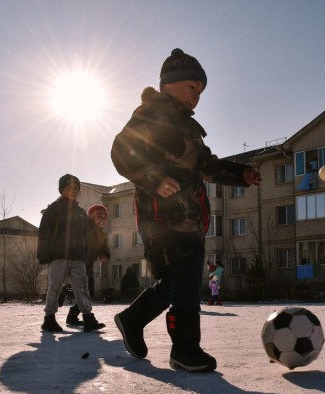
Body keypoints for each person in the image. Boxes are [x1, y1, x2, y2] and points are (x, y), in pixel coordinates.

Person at [111, 48, 262, 372]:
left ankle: (133, 319)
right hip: (161, 216)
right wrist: (153, 178)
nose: (197, 96)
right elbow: (122, 149)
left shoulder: (190, 128)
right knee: (187, 275)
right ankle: (185, 347)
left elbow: (207, 164)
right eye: (192, 87)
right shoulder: (152, 114)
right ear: (169, 84)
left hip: (190, 216)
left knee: (174, 282)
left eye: (201, 91)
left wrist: (241, 175)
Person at [37, 174, 104, 333]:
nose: (74, 191)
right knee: (55, 287)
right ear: (62, 190)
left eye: (76, 188)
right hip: (59, 255)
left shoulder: (81, 212)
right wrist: (43, 254)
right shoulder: (54, 209)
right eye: (69, 188)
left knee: (82, 287)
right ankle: (49, 319)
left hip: (78, 257)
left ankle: (88, 318)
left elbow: (87, 235)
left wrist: (90, 253)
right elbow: (44, 232)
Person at [66, 204, 110, 326]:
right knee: (84, 292)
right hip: (79, 264)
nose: (102, 220)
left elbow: (103, 247)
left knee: (88, 293)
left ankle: (72, 314)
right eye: (99, 216)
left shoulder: (101, 234)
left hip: (89, 267)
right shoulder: (86, 228)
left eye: (104, 217)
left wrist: (104, 254)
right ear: (91, 217)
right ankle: (68, 296)